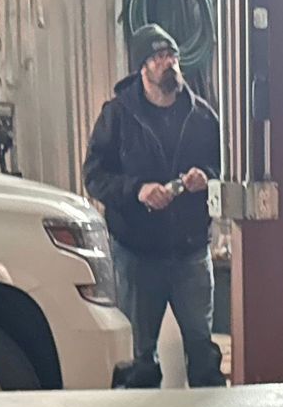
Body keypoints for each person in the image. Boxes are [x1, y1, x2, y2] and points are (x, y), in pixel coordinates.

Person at [83, 25, 225, 387]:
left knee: (204, 353)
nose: (168, 63)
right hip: (137, 255)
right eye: (159, 57)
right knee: (137, 358)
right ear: (141, 67)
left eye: (172, 56)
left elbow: (223, 168)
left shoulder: (203, 116)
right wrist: (137, 190)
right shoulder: (117, 116)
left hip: (191, 252)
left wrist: (206, 178)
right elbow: (95, 176)